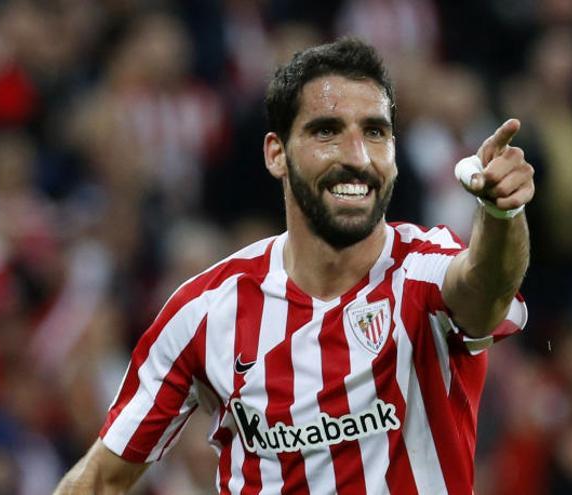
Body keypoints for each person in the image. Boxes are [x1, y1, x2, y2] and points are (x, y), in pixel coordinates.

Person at [54, 37, 534, 494]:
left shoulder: (423, 271)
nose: (357, 156)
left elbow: (486, 289)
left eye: (375, 131)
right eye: (327, 130)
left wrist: (501, 214)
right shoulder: (207, 311)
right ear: (276, 153)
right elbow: (99, 480)